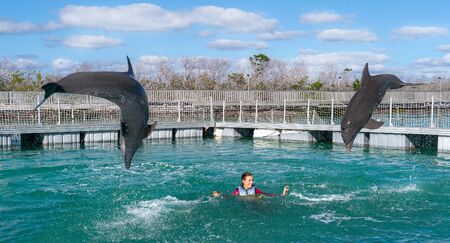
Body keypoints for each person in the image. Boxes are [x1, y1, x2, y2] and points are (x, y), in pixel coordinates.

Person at [212, 172, 289, 197]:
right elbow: (230, 196)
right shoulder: (238, 191)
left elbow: (267, 194)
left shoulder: (255, 190)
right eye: (249, 180)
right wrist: (219, 194)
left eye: (252, 180)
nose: (251, 182)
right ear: (243, 181)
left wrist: (282, 194)